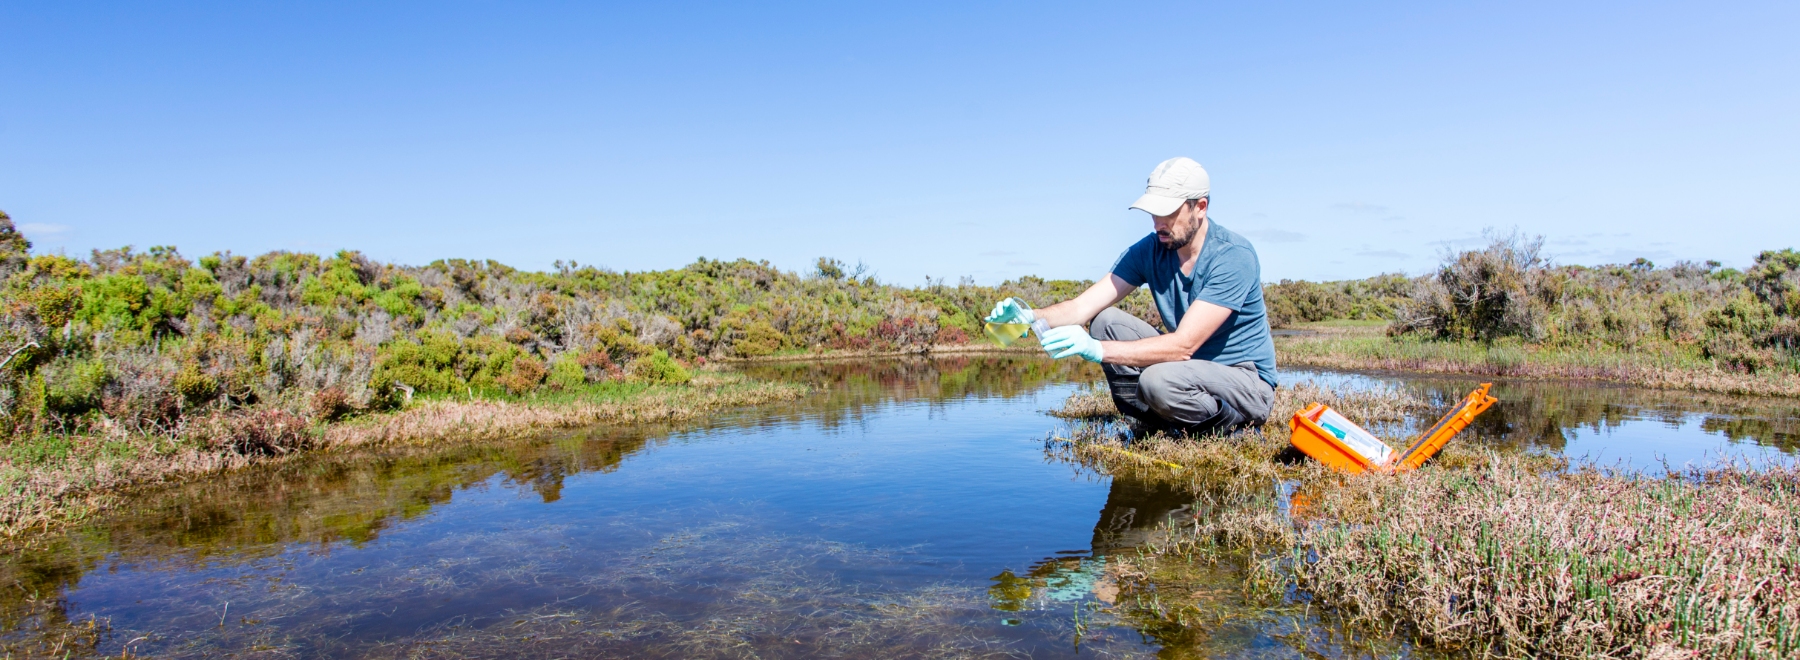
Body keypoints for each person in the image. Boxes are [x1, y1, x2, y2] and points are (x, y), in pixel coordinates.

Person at [987, 157, 1277, 434]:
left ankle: (1227, 428)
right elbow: (1082, 307)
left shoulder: (1233, 256)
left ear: (1200, 207)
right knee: (1105, 321)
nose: (1158, 223)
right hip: (1187, 371)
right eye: (1154, 213)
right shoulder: (1152, 248)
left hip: (1244, 380)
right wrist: (1031, 316)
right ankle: (1154, 418)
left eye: (1169, 213)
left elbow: (1183, 346)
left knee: (1158, 380)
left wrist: (1096, 349)